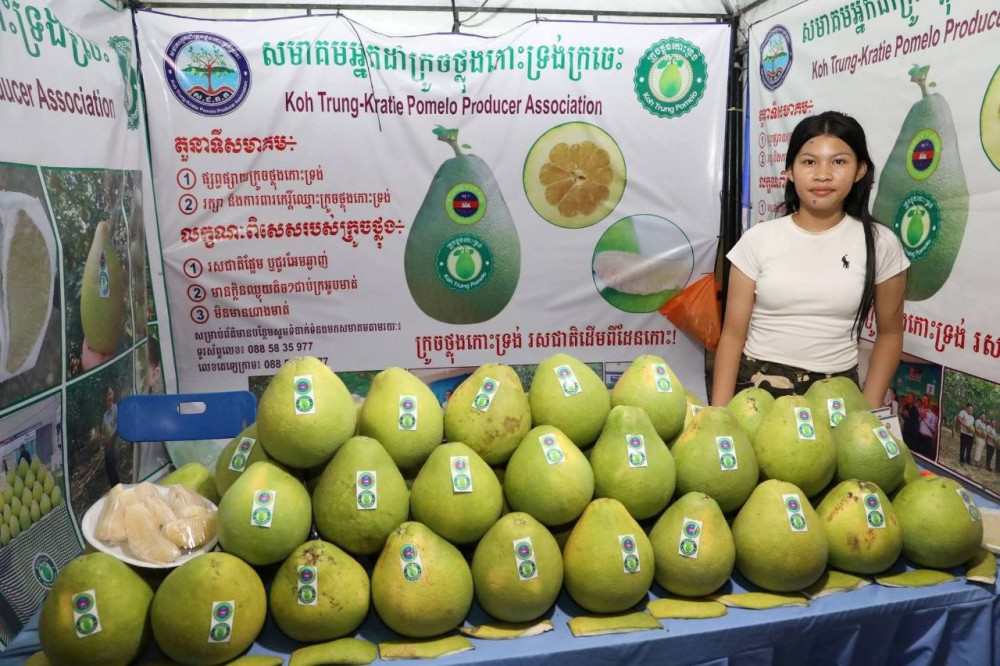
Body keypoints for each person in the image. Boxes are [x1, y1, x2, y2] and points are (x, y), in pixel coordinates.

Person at [712, 111, 909, 407]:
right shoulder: (758, 240)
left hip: (836, 394)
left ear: (859, 170)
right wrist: (719, 414)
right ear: (790, 171)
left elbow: (891, 334)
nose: (823, 174)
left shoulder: (881, 244)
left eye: (838, 162)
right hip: (757, 389)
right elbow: (732, 335)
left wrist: (866, 411)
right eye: (809, 162)